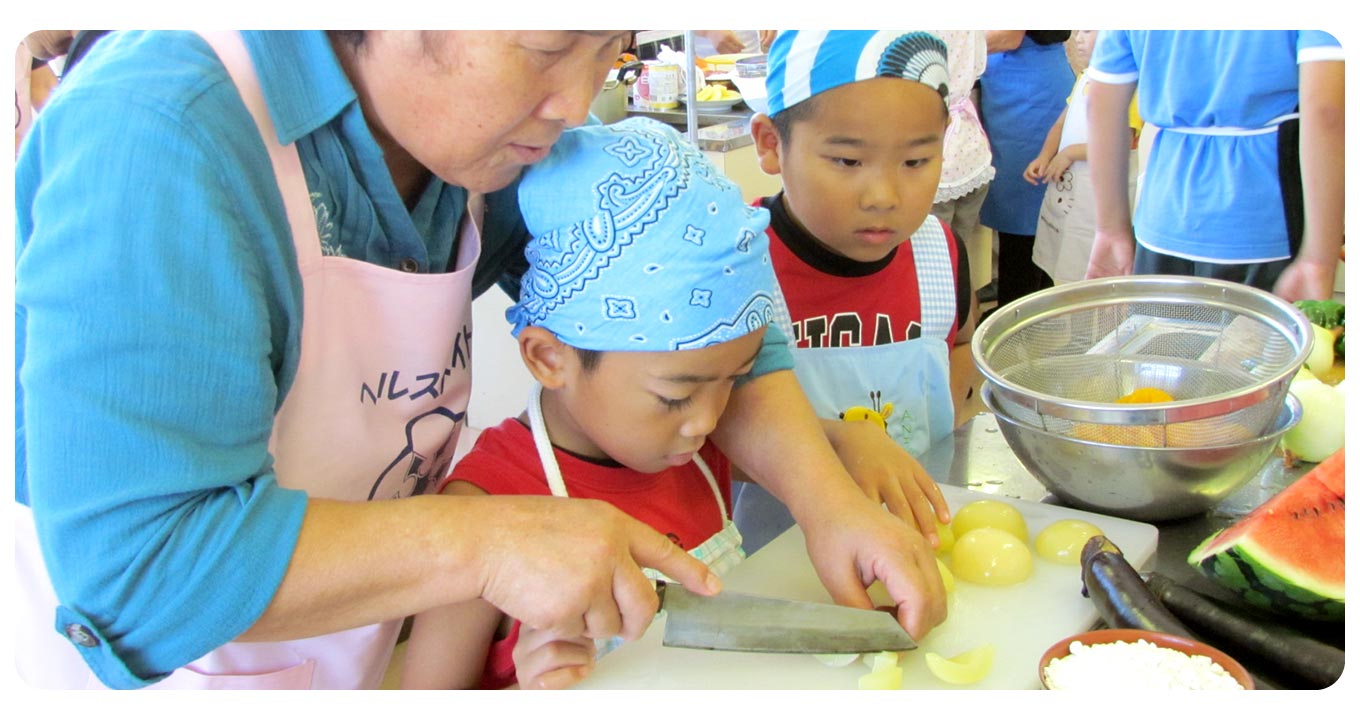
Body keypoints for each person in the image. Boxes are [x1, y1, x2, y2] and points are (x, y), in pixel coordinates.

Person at [14, 31, 945, 690]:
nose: (577, 104)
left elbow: (710, 324)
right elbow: (143, 570)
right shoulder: (162, 134)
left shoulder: (481, 145)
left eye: (606, 50)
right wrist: (495, 536)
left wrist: (824, 501)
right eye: (545, 49)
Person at [400, 118, 781, 690]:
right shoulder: (483, 508)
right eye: (676, 395)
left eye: (735, 379)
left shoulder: (694, 450)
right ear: (550, 358)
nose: (706, 419)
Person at [732, 30, 975, 553]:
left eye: (915, 162)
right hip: (776, 553)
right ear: (772, 143)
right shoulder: (736, 267)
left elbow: (959, 347)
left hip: (920, 543)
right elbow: (697, 428)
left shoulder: (940, 254)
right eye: (847, 161)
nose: (884, 196)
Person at [1083, 30, 1344, 302]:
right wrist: (1318, 259)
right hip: (1263, 225)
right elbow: (1326, 112)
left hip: (1161, 222)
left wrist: (1110, 230)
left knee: (1162, 340)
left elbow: (1100, 103)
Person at [1027, 30, 1143, 285]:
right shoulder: (1084, 77)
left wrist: (1068, 153)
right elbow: (1061, 123)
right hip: (1070, 192)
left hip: (1100, 198)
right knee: (1061, 258)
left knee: (1086, 267)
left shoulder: (1129, 87)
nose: (1077, 38)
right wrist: (1045, 155)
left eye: (1088, 31)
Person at [976, 30, 1074, 308]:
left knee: (1025, 223)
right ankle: (1025, 315)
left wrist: (945, 44)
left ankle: (1018, 322)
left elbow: (1010, 35)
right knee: (1018, 221)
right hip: (1008, 89)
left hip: (1030, 96)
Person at [930, 30, 994, 277]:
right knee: (959, 257)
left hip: (939, 156)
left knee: (932, 267)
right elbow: (978, 66)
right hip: (972, 153)